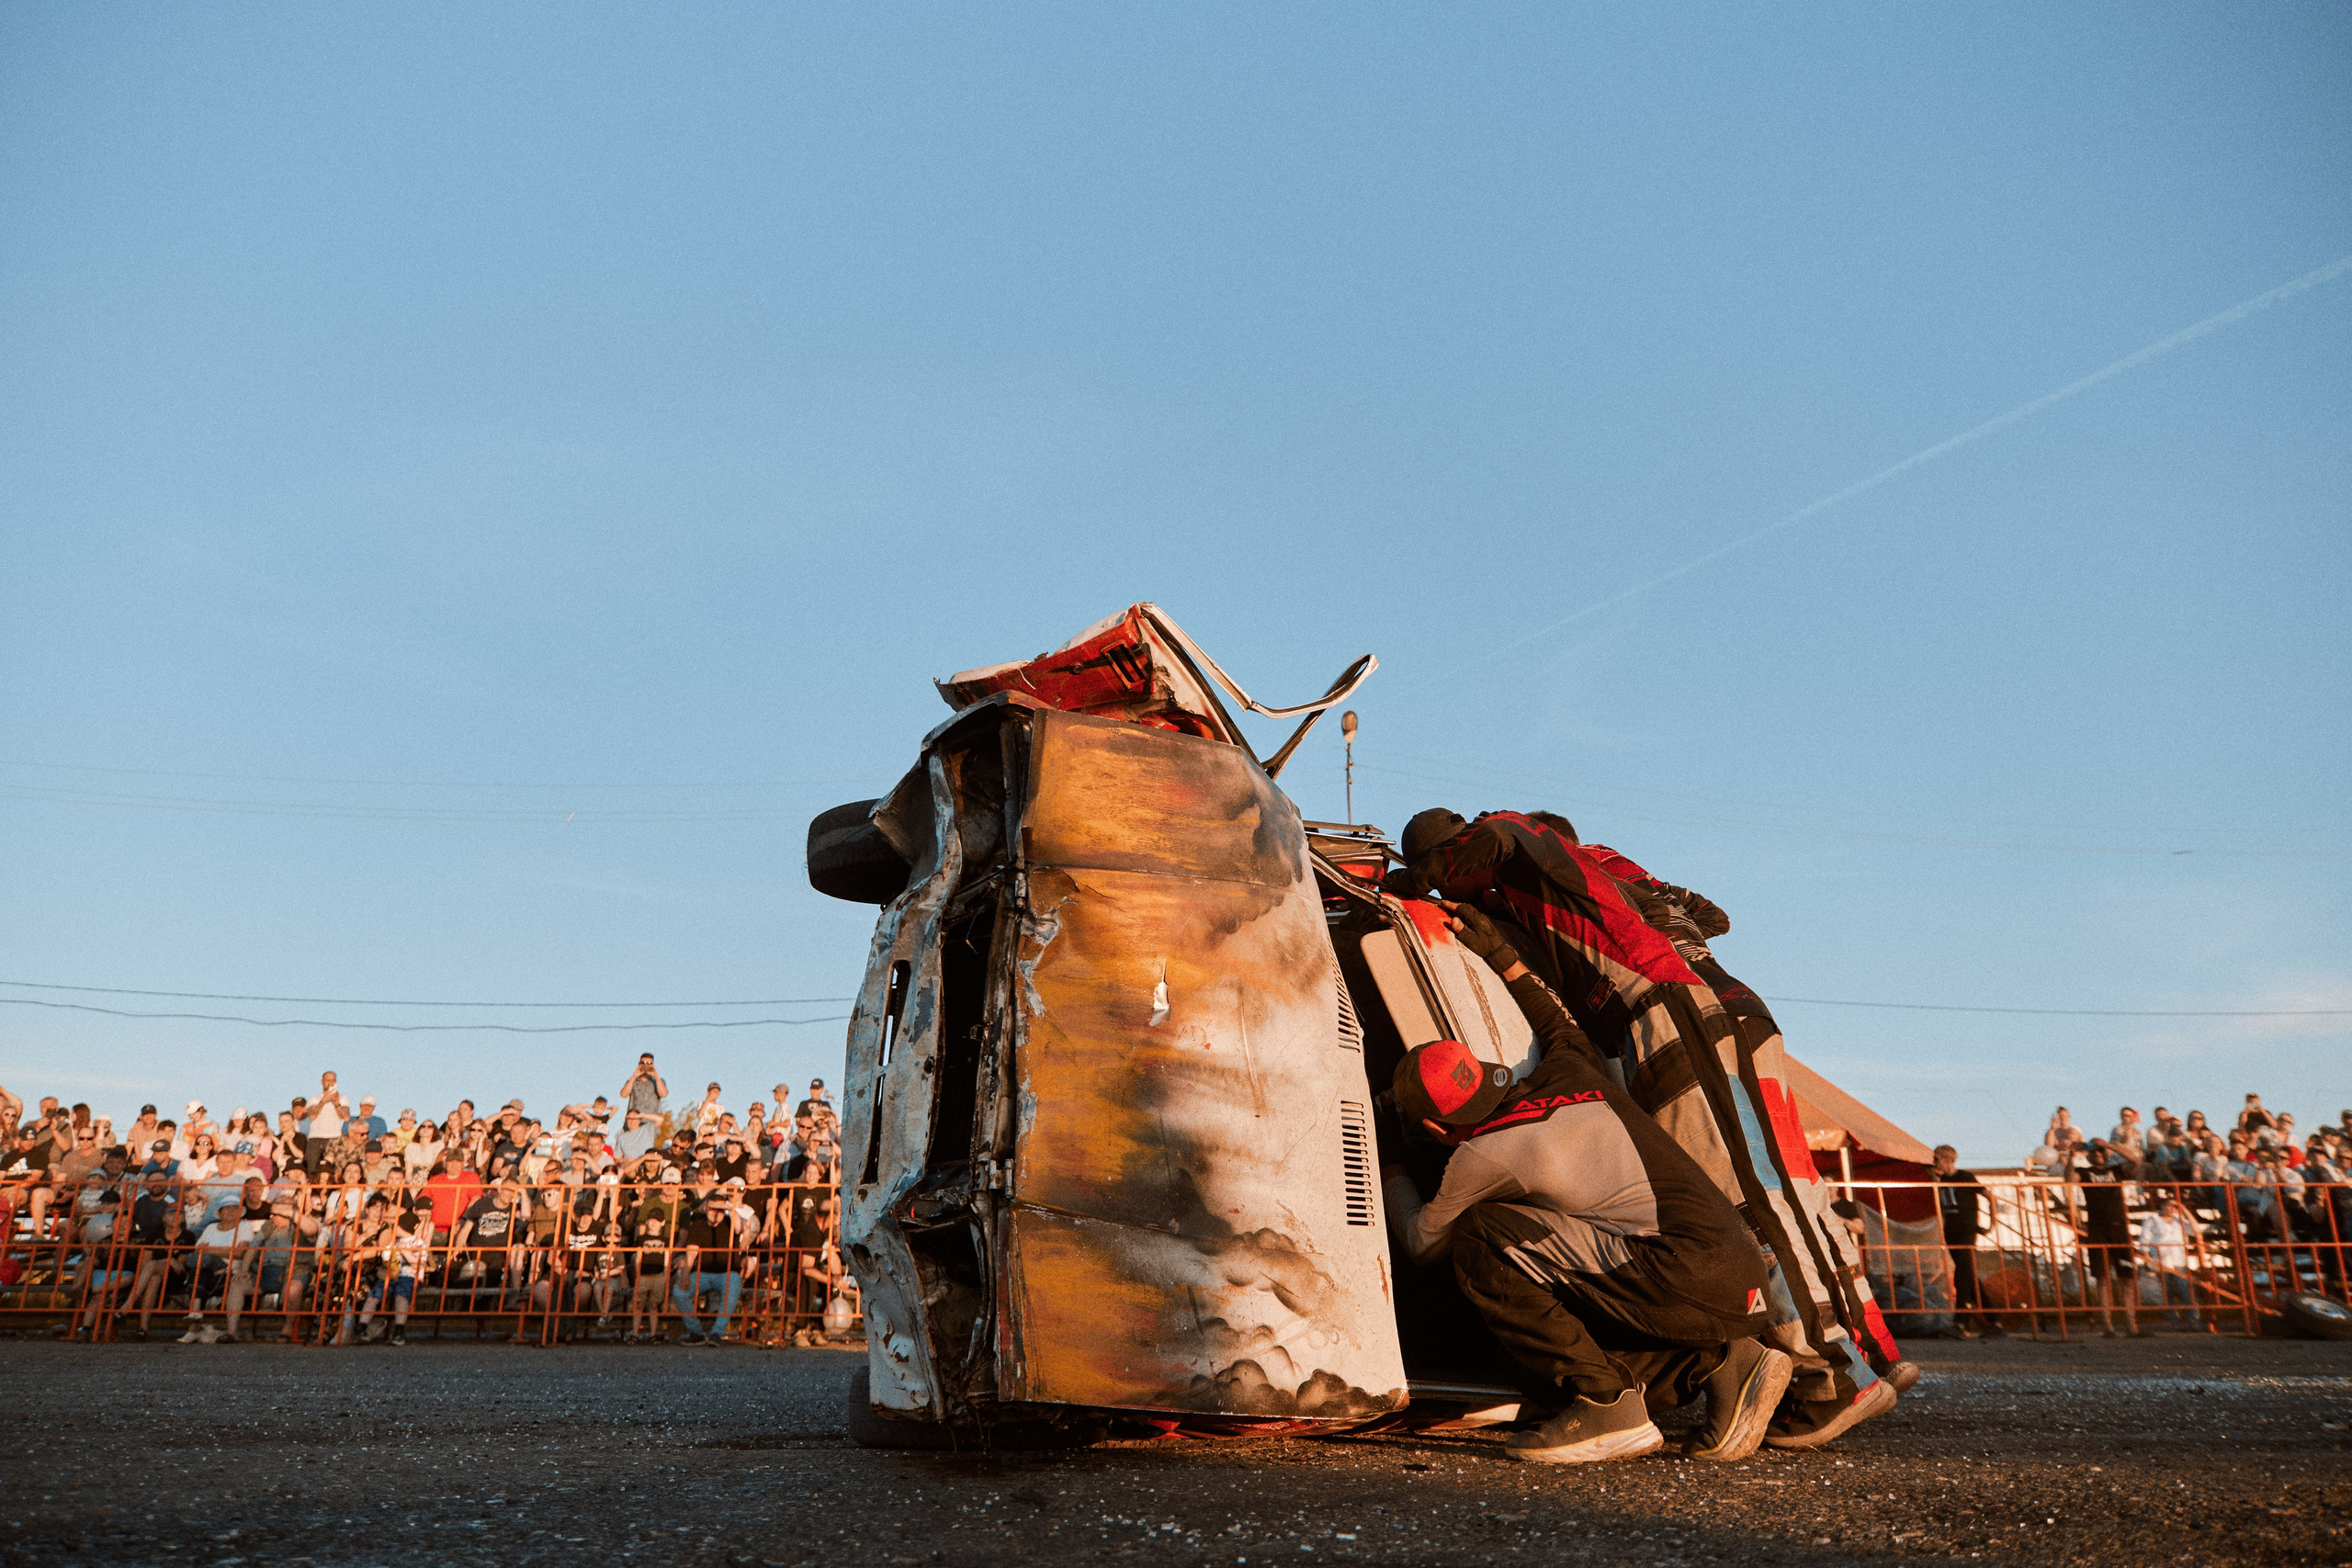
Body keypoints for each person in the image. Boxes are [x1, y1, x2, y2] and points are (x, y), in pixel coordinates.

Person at [1393, 809, 1894, 1447]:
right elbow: (1710, 914)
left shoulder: (1522, 847)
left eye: (1447, 875)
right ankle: (1866, 1354)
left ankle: (1831, 1378)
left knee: (1752, 1201)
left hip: (1659, 1010)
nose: (1448, 891)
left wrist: (1415, 878)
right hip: (1698, 1004)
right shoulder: (1601, 870)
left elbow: (1501, 837)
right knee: (1786, 1191)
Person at [1377, 905, 1785, 1465]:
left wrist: (1389, 1156)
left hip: (1684, 1276)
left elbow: (1423, 1243)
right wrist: (1500, 954)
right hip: (1739, 1272)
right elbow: (1557, 1021)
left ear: (1432, 1128)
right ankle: (1725, 1362)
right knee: (1536, 1359)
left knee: (1482, 1234)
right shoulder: (1569, 1071)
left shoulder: (1482, 1152)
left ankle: (1605, 1404)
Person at [672, 1188, 748, 1345]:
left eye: (719, 1210)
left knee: (733, 1286)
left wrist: (729, 1208)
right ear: (706, 1208)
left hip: (727, 1273)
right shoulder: (698, 1225)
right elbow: (691, 1253)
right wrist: (685, 1276)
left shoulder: (730, 1222)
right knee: (679, 1292)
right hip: (703, 1273)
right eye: (712, 1208)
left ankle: (717, 1333)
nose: (716, 1213)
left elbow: (740, 1228)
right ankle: (696, 1332)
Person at [2137, 1195, 2201, 1328]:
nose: (2172, 1209)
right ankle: (2174, 1321)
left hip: (2179, 1261)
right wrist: (2148, 1260)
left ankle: (2193, 1320)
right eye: (2169, 1205)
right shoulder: (2152, 1220)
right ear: (2162, 1205)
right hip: (2160, 1262)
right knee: (2166, 1294)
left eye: (2174, 1206)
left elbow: (2196, 1230)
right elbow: (2144, 1240)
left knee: (2187, 1291)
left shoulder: (2180, 1220)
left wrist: (2184, 1210)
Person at [621, 1055, 669, 1122]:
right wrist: (634, 1076)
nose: (646, 1065)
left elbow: (663, 1094)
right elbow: (623, 1095)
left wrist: (656, 1076)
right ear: (639, 1064)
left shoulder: (658, 1081)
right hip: (632, 1121)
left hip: (650, 1122)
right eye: (643, 1063)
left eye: (649, 1063)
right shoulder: (632, 1081)